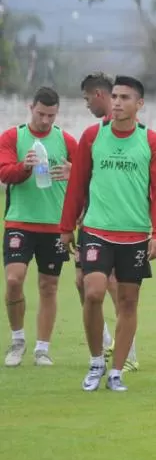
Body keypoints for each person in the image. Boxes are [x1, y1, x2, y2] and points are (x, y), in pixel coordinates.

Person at [60, 75, 156, 392]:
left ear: (140, 104)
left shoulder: (150, 142)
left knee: (128, 303)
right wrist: (67, 227)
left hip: (135, 235)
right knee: (92, 291)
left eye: (125, 97)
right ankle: (97, 362)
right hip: (96, 229)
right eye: (116, 96)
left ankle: (117, 372)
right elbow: (78, 185)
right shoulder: (93, 136)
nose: (118, 102)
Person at [1, 87, 77, 366]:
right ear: (30, 107)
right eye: (41, 114)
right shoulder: (13, 136)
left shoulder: (66, 140)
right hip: (20, 221)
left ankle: (42, 348)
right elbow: (4, 172)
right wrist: (25, 167)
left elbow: (86, 177)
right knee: (13, 280)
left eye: (52, 115)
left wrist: (74, 171)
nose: (46, 120)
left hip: (54, 226)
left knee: (49, 286)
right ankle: (17, 340)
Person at [78, 72, 139, 371]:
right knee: (86, 285)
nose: (88, 103)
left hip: (121, 227)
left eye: (89, 98)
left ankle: (127, 352)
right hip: (92, 222)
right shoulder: (93, 135)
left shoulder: (138, 137)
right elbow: (84, 178)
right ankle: (102, 347)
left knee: (115, 287)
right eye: (115, 97)